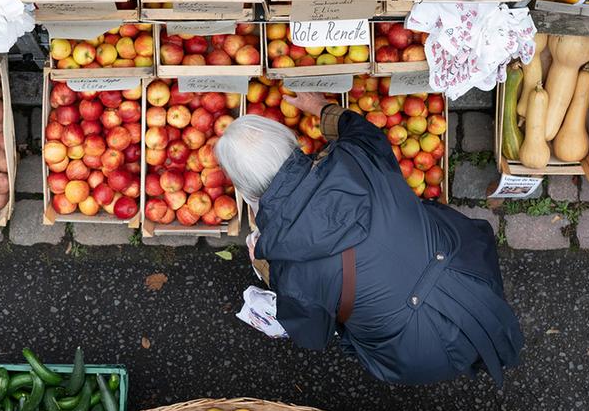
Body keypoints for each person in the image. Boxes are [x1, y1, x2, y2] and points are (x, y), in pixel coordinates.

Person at [215, 92, 523, 386]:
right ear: (291, 143)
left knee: (343, 316)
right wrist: (322, 109)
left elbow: (312, 333)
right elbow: (360, 129)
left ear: (247, 192)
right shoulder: (356, 154)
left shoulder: (291, 269)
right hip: (473, 277)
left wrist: (269, 270)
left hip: (416, 354)